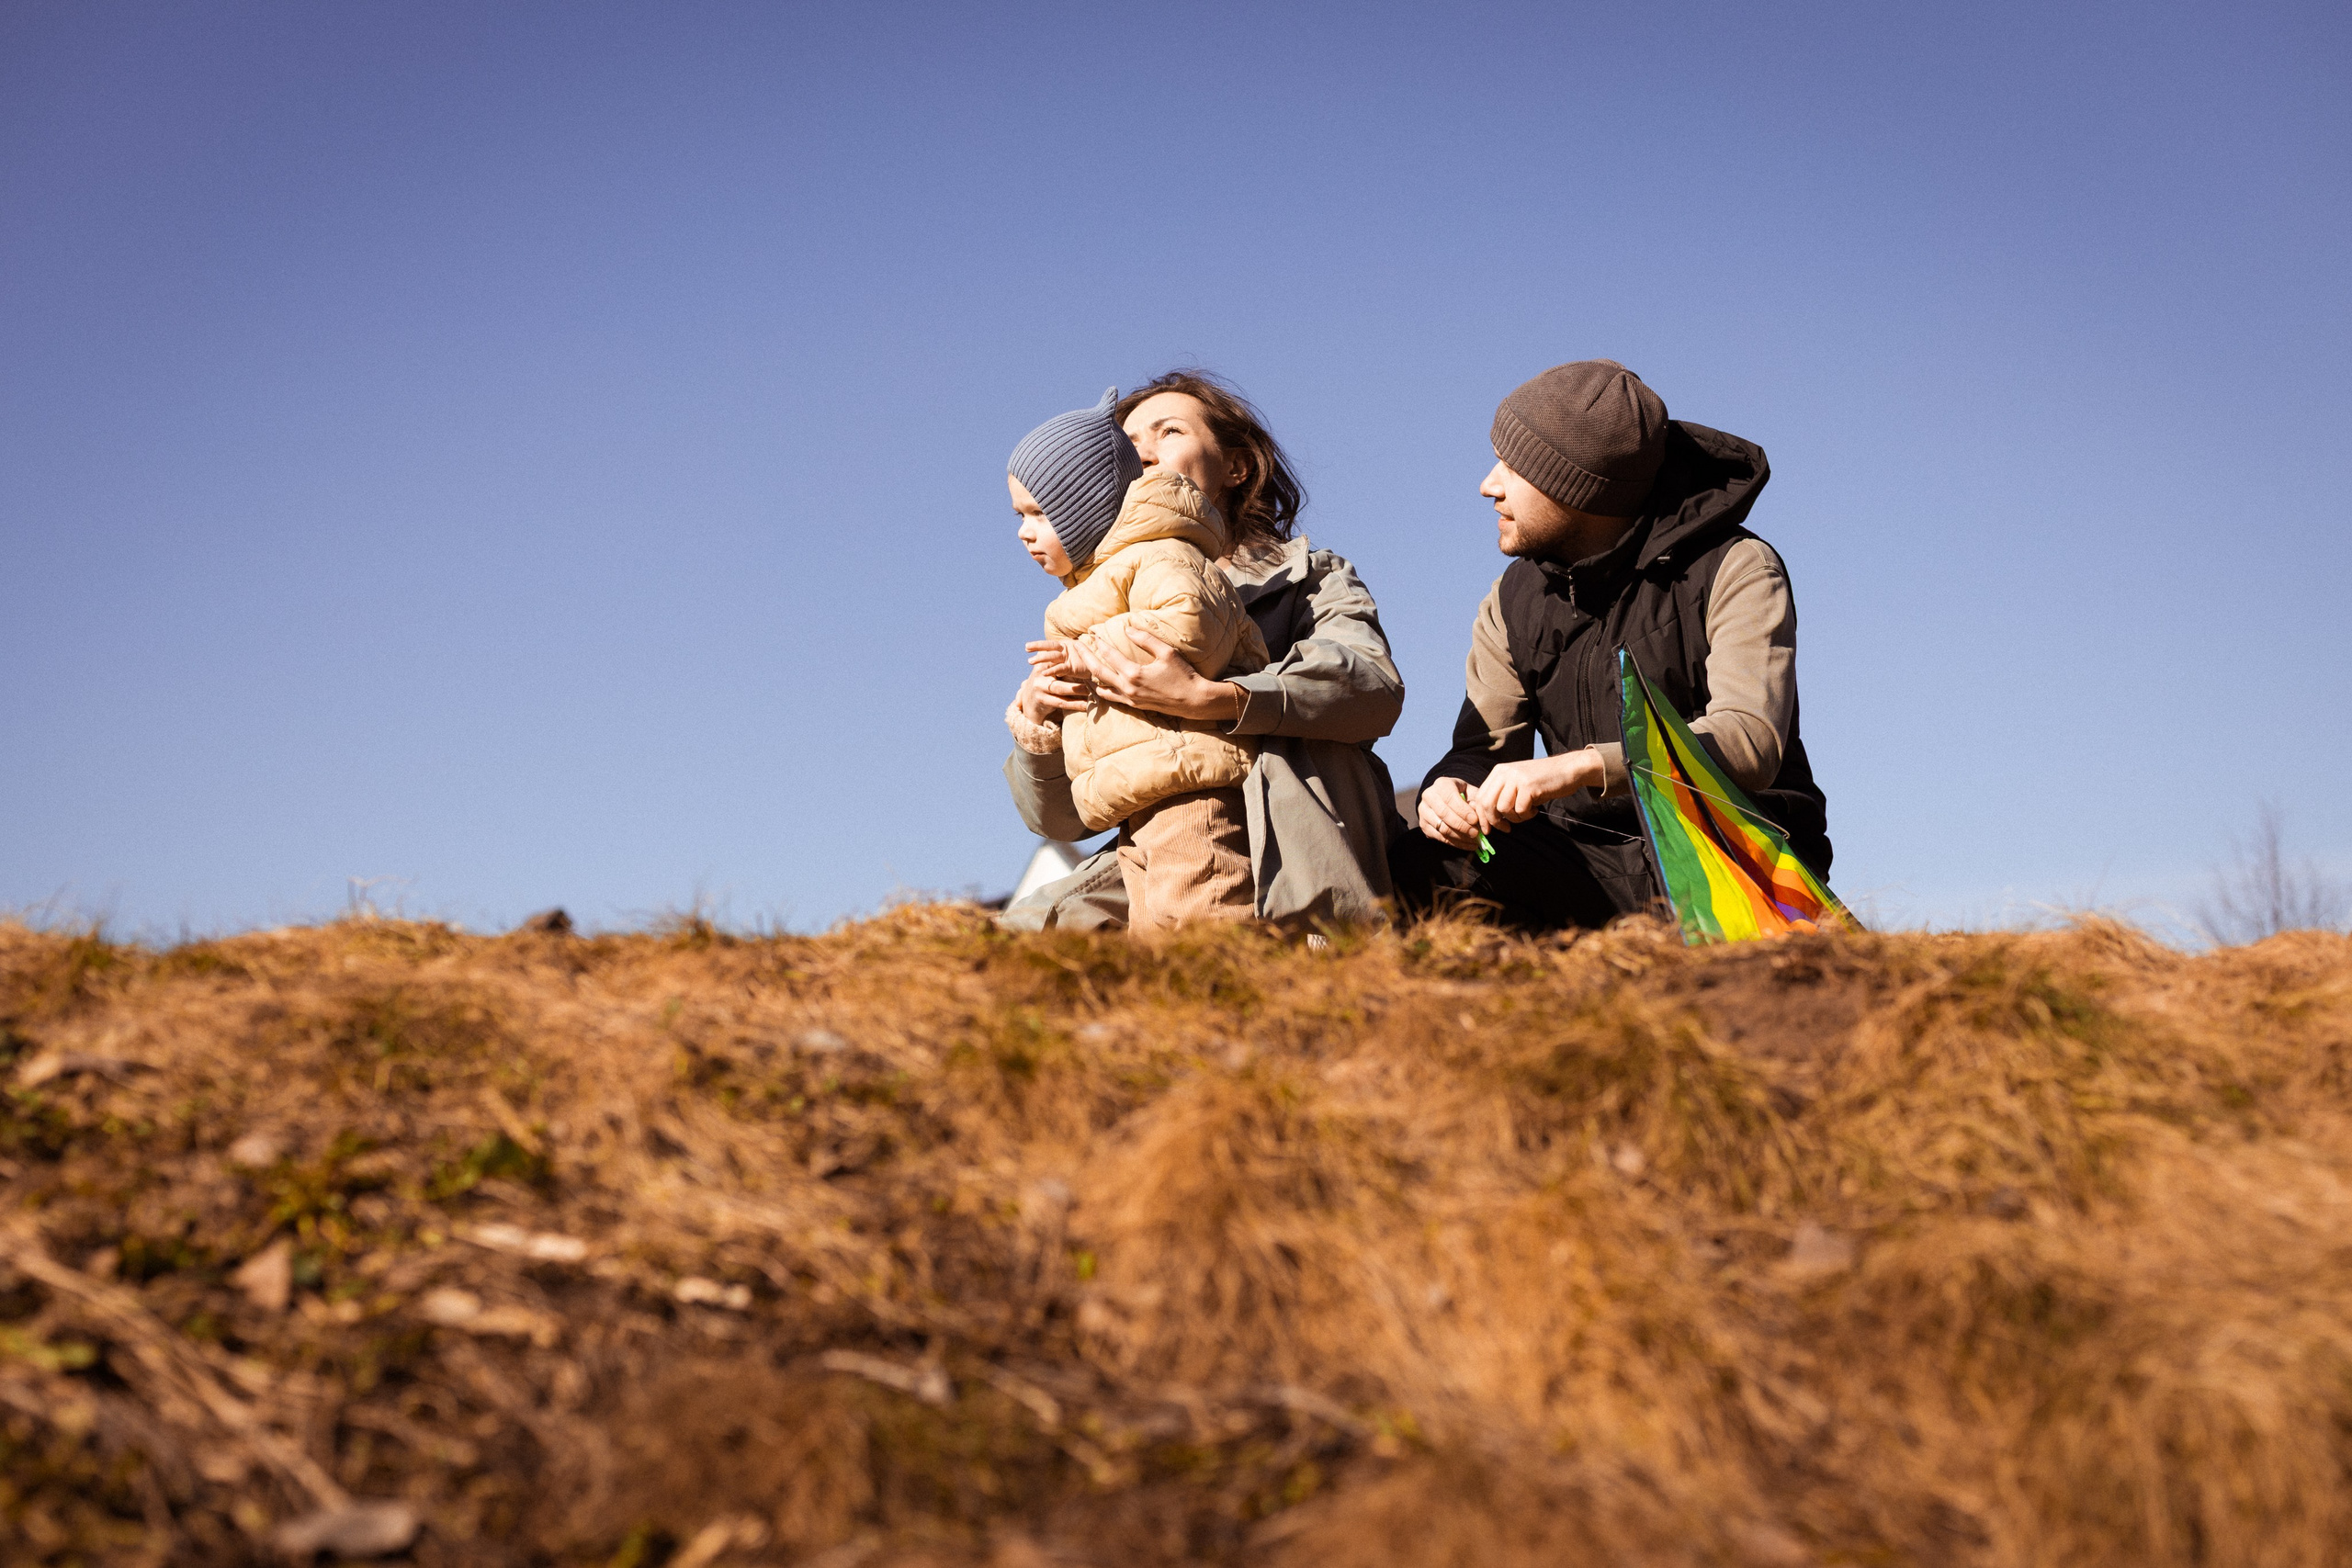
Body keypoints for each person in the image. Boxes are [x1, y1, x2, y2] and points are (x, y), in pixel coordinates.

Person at [1390, 358, 1832, 931]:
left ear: (1580, 488)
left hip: (1732, 852)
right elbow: (1484, 750)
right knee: (1421, 866)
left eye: (1515, 468)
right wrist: (1447, 790)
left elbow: (1750, 742)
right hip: (1588, 861)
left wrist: (1579, 768)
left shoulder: (1738, 567)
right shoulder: (1511, 600)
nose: (1488, 485)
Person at [1001, 371, 1406, 931]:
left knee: (1210, 963)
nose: (1141, 448)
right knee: (1019, 943)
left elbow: (1370, 686)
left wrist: (1212, 697)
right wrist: (1040, 727)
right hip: (1149, 840)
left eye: (1167, 431)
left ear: (1236, 468)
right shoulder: (1093, 606)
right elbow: (1062, 823)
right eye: (1127, 439)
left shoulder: (1309, 575)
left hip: (1282, 826)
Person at [1002, 389, 1269, 932]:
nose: (1024, 532)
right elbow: (1056, 813)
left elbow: (1191, 626)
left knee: (1207, 936)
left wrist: (1088, 654)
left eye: (1039, 513)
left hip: (1191, 791)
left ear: (1087, 510)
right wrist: (1042, 718)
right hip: (1136, 808)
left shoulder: (1162, 551)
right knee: (1157, 954)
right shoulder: (1092, 588)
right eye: (1019, 515)